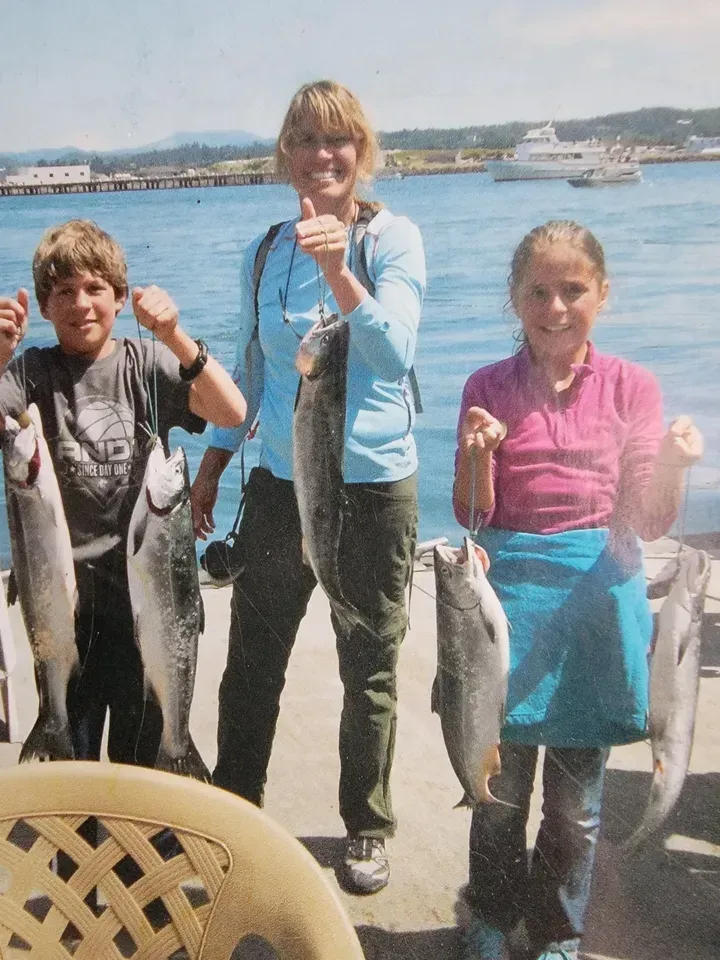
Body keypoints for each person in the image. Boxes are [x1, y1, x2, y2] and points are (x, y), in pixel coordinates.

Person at [191, 80, 425, 894]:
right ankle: (235, 813)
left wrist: (339, 271)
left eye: (341, 141)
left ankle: (367, 825)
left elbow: (394, 354)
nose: (324, 156)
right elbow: (252, 369)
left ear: (361, 152)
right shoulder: (263, 250)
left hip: (373, 491)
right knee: (251, 664)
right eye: (307, 141)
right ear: (286, 154)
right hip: (279, 484)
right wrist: (215, 461)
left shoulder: (393, 240)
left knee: (371, 664)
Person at [452, 220, 703, 960]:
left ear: (603, 293)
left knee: (575, 807)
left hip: (598, 601)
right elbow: (472, 513)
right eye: (538, 291)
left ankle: (559, 930)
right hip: (511, 604)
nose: (555, 307)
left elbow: (649, 518)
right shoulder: (486, 386)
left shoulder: (633, 386)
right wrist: (478, 455)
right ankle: (491, 917)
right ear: (514, 298)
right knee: (497, 794)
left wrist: (674, 465)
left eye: (573, 290)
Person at [0, 219, 246, 769]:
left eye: (95, 289)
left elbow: (232, 412)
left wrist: (175, 337)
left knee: (142, 774)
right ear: (43, 304)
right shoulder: (30, 372)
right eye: (64, 292)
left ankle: (148, 837)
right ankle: (75, 849)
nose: (81, 304)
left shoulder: (145, 361)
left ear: (118, 296)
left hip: (146, 602)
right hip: (64, 607)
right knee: (76, 772)